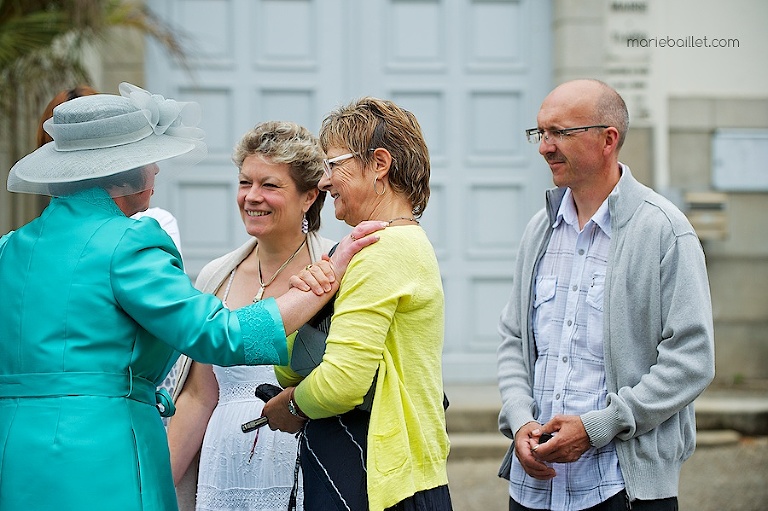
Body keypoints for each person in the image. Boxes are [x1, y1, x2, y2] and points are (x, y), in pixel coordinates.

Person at [0, 83, 384, 511]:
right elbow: (222, 334)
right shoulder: (129, 243)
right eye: (148, 158)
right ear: (119, 171)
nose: (157, 171)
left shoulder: (10, 248)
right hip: (101, 453)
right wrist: (325, 279)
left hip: (14, 456)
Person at [496, 79, 715, 510]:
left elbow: (692, 358)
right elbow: (514, 341)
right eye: (540, 133)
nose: (544, 147)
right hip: (534, 491)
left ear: (607, 140)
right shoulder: (539, 232)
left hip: (622, 490)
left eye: (560, 133)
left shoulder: (664, 231)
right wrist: (520, 420)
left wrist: (600, 425)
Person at [262, 97, 453, 511]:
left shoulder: (383, 250)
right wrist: (310, 299)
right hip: (377, 474)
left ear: (379, 164)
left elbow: (341, 383)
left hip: (381, 482)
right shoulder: (360, 251)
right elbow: (290, 367)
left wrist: (291, 407)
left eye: (333, 164)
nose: (325, 182)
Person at [168, 120, 335, 511]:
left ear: (309, 196)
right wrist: (155, 487)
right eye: (245, 182)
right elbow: (198, 396)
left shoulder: (335, 267)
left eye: (270, 185)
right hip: (223, 472)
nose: (251, 197)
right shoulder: (216, 276)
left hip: (305, 464)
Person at [37, 85, 186, 409]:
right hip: (108, 417)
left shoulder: (12, 246)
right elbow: (202, 328)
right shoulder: (135, 239)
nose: (156, 167)